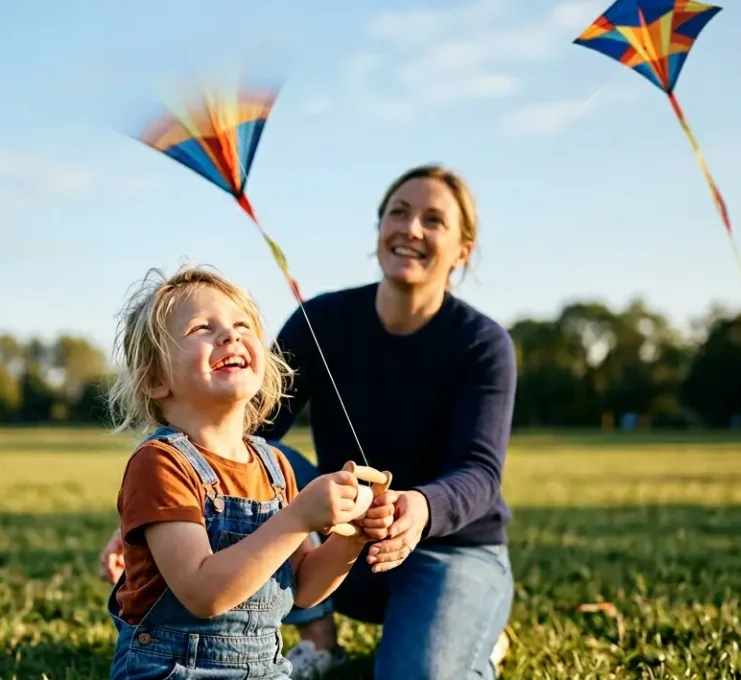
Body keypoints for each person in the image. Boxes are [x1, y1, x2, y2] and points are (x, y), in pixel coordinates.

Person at [101, 164, 517, 679]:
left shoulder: (483, 344)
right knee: (273, 460)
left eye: (434, 220)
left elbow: (480, 471)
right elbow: (236, 426)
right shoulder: (323, 319)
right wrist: (160, 524)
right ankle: (321, 642)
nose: (410, 228)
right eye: (399, 212)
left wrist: (413, 510)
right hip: (332, 552)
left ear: (462, 248)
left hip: (449, 548)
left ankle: (465, 627)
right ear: (380, 227)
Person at [102, 265, 395, 680]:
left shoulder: (274, 466)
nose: (230, 335)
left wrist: (352, 537)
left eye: (242, 325)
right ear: (154, 379)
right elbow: (204, 593)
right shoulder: (160, 464)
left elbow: (304, 589)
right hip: (172, 670)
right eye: (202, 328)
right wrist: (298, 517)